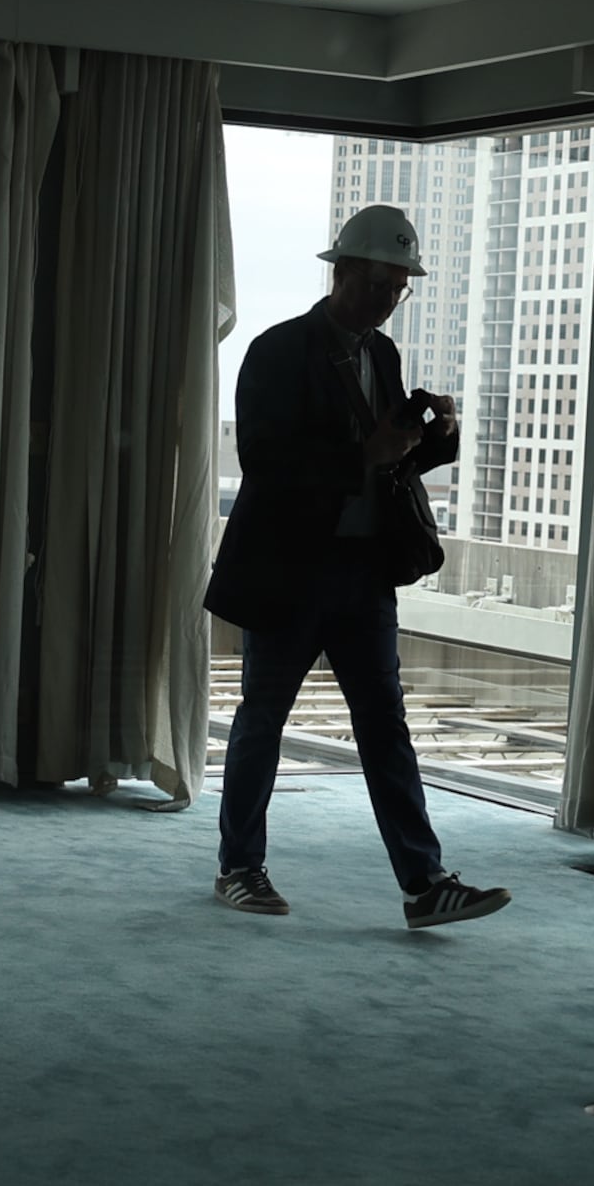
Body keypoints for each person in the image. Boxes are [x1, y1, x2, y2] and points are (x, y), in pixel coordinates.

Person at [203, 203, 512, 927]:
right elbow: (265, 464)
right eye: (377, 284)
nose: (387, 299)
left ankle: (425, 884)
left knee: (385, 726)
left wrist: (437, 436)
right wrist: (363, 454)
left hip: (364, 571)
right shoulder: (278, 351)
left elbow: (388, 464)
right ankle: (239, 867)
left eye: (398, 289)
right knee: (263, 720)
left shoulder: (384, 355)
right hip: (290, 568)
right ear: (340, 272)